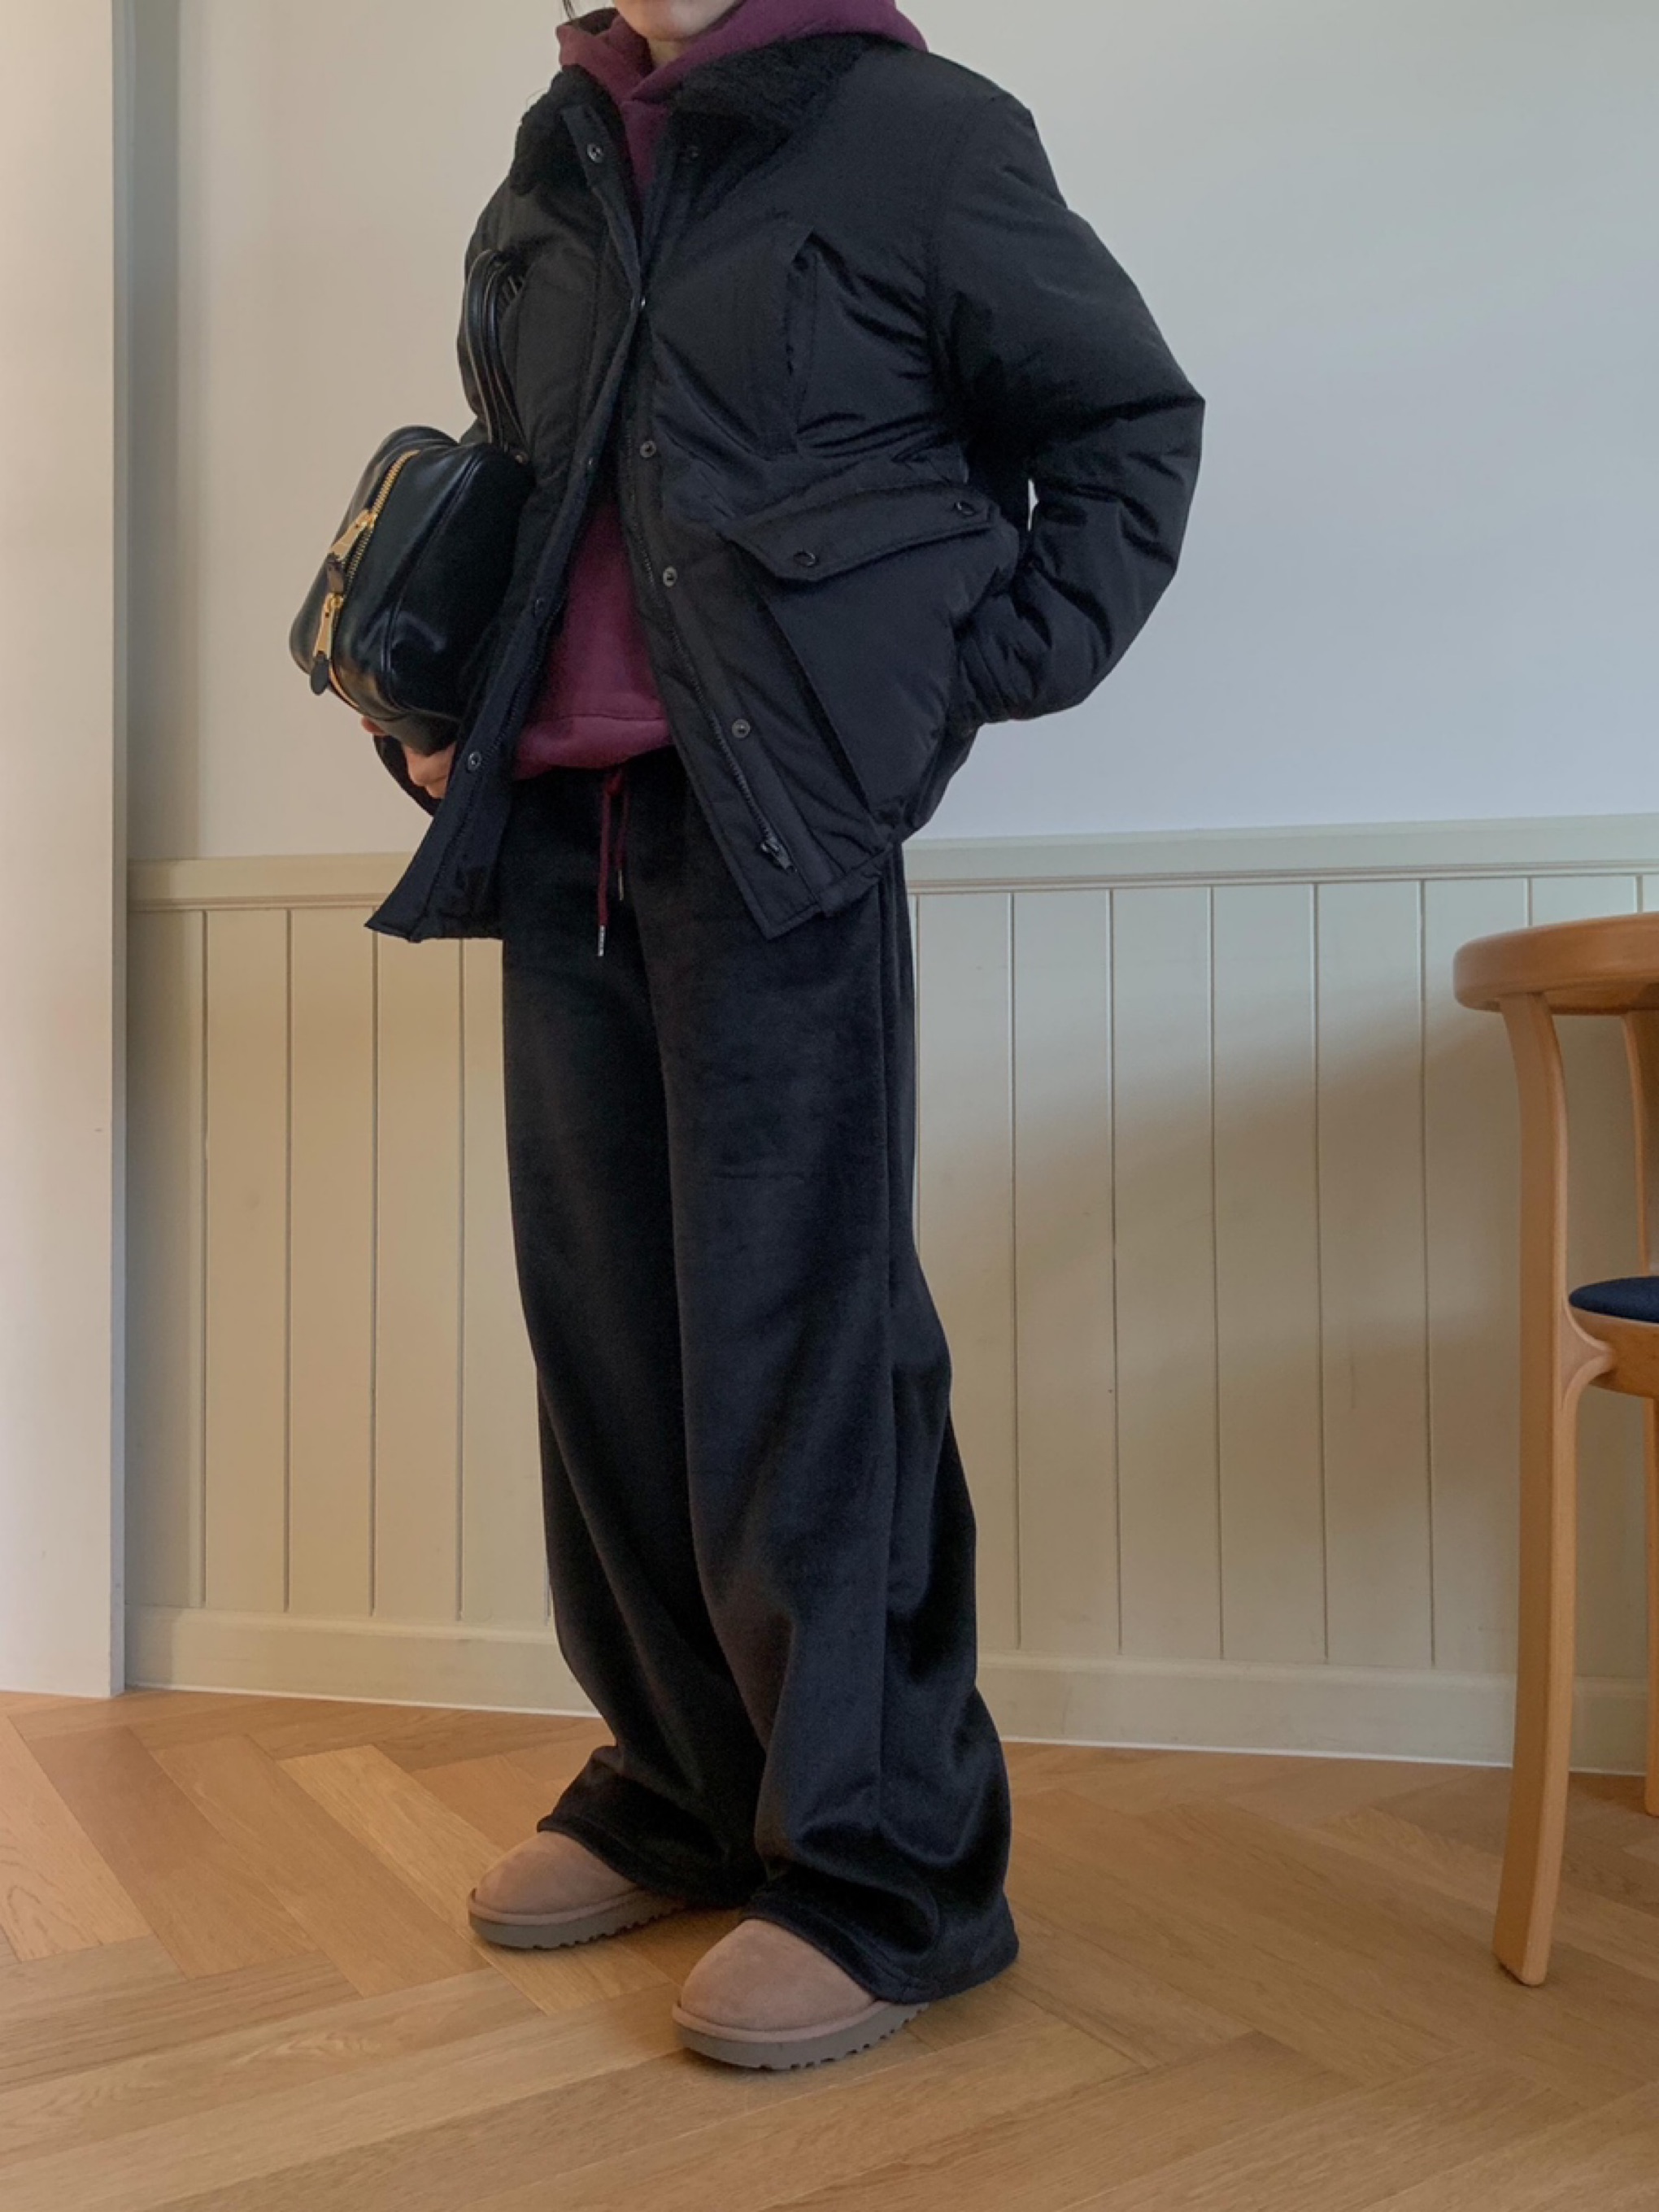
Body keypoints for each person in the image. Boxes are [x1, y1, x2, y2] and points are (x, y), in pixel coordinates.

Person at [359, 0, 1203, 2070]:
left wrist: (941, 688)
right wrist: (436, 698)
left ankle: (884, 1867)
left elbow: (1127, 430)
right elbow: (534, 484)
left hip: (777, 841)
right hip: (558, 837)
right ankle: (682, 1783)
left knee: (805, 1356)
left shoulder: (921, 134)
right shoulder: (554, 154)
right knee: (613, 1350)